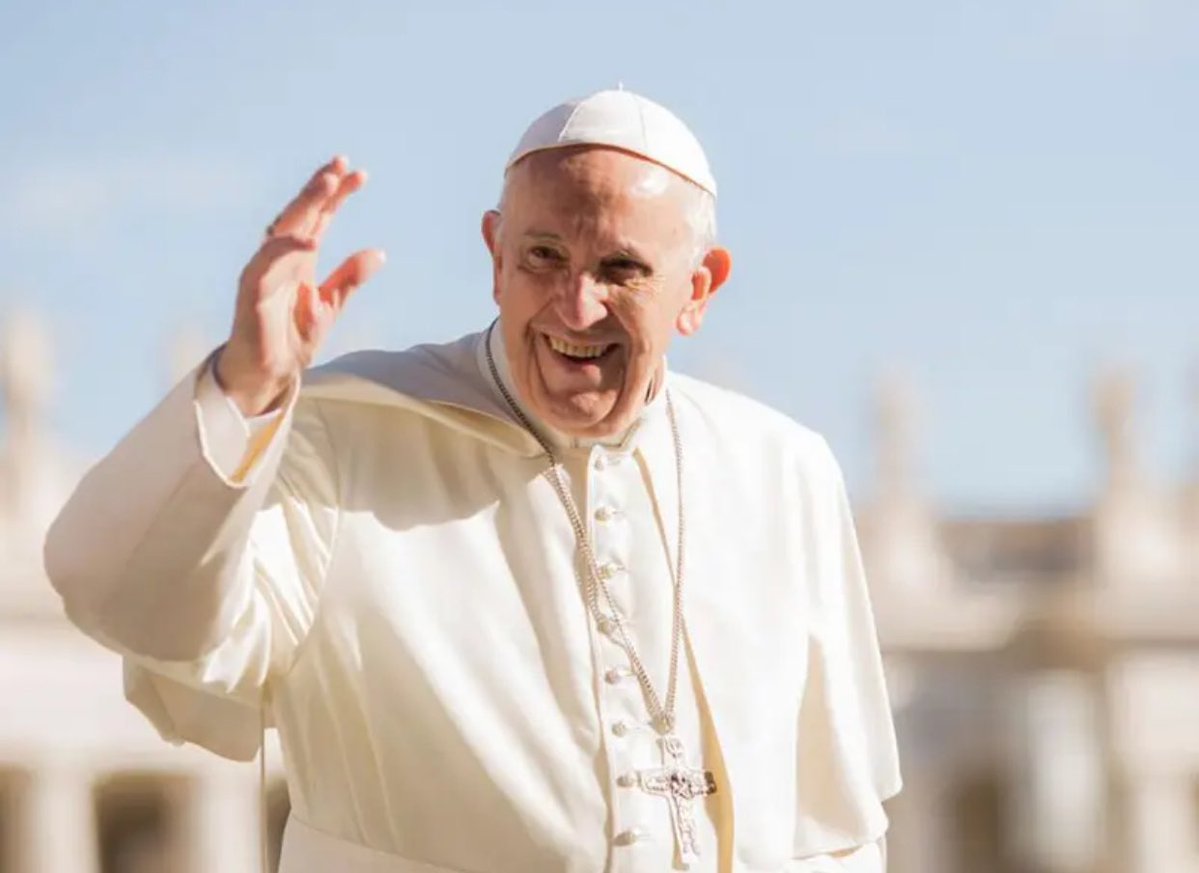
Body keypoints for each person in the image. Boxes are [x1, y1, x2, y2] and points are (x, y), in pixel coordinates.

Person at [45, 89, 902, 873]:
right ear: (495, 255)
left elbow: (830, 834)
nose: (575, 306)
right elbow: (131, 601)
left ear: (699, 289)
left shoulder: (783, 471)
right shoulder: (338, 434)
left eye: (621, 270)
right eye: (543, 255)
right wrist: (243, 389)